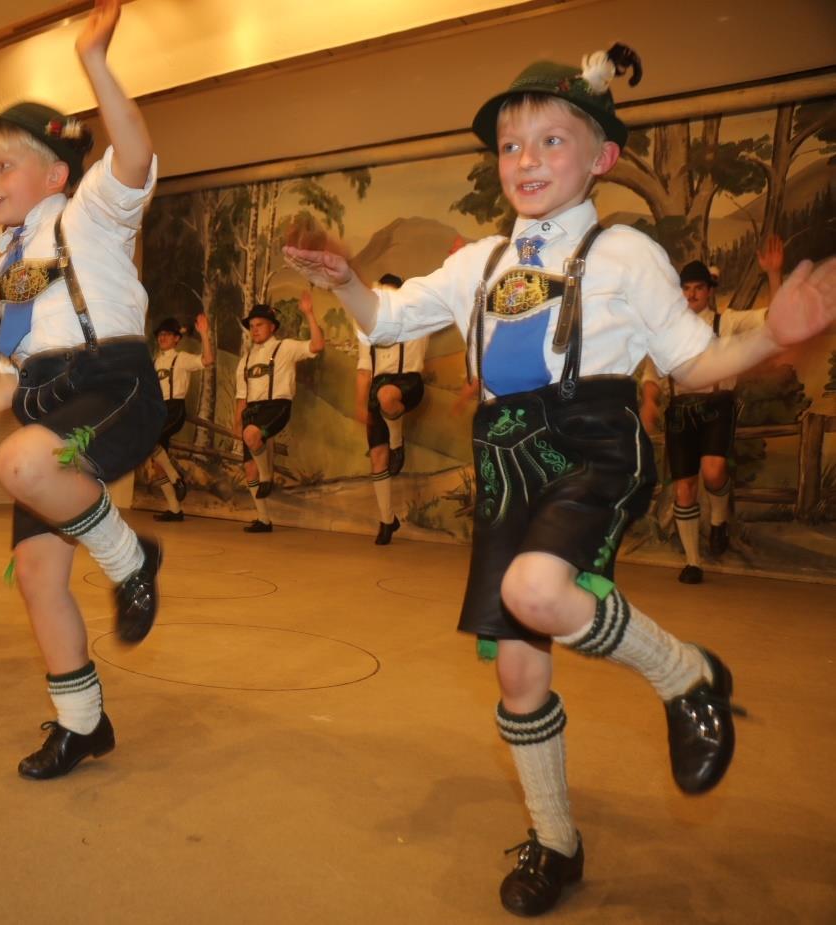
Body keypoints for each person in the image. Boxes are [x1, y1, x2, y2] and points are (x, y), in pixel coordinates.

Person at [284, 43, 836, 916]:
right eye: (511, 145)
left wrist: (771, 333)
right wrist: (346, 280)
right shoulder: (479, 262)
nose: (526, 159)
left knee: (536, 591)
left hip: (593, 443)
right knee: (517, 673)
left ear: (601, 157)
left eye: (550, 140)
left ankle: (685, 674)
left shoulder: (626, 252)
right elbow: (385, 317)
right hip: (505, 456)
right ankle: (556, 842)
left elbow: (692, 363)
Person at [0, 4, 165, 780]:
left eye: (3, 170)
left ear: (55, 175)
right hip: (43, 397)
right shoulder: (7, 262)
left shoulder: (90, 214)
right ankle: (83, 723)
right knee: (38, 575)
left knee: (19, 462)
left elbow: (133, 150)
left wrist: (94, 62)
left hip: (110, 383)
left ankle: (131, 559)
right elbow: (16, 376)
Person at [641, 249, 777, 583]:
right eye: (686, 288)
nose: (691, 295)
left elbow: (775, 318)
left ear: (709, 290)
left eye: (698, 288)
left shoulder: (726, 321)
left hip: (717, 405)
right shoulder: (665, 332)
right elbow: (651, 374)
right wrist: (650, 401)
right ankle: (693, 562)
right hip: (680, 410)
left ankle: (719, 520)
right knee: (684, 487)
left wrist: (774, 273)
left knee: (714, 472)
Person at [233, 292, 324, 533]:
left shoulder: (286, 347)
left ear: (272, 327)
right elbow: (241, 397)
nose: (254, 330)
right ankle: (264, 520)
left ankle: (267, 476)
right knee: (249, 469)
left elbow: (317, 345)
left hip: (277, 406)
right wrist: (237, 422)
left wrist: (309, 314)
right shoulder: (245, 360)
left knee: (253, 436)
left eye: (259, 325)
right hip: (251, 412)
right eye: (252, 326)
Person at [355, 274, 429, 545]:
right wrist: (360, 405)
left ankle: (397, 443)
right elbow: (364, 371)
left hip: (408, 383)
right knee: (377, 456)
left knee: (386, 395)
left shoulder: (417, 318)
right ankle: (387, 520)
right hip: (378, 387)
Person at [149, 313, 213, 521]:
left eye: (167, 334)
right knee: (157, 465)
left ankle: (176, 478)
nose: (162, 337)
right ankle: (175, 510)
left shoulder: (182, 358)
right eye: (160, 334)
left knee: (150, 441)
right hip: (157, 410)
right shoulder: (155, 362)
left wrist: (204, 333)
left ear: (177, 338)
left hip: (174, 409)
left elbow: (208, 360)